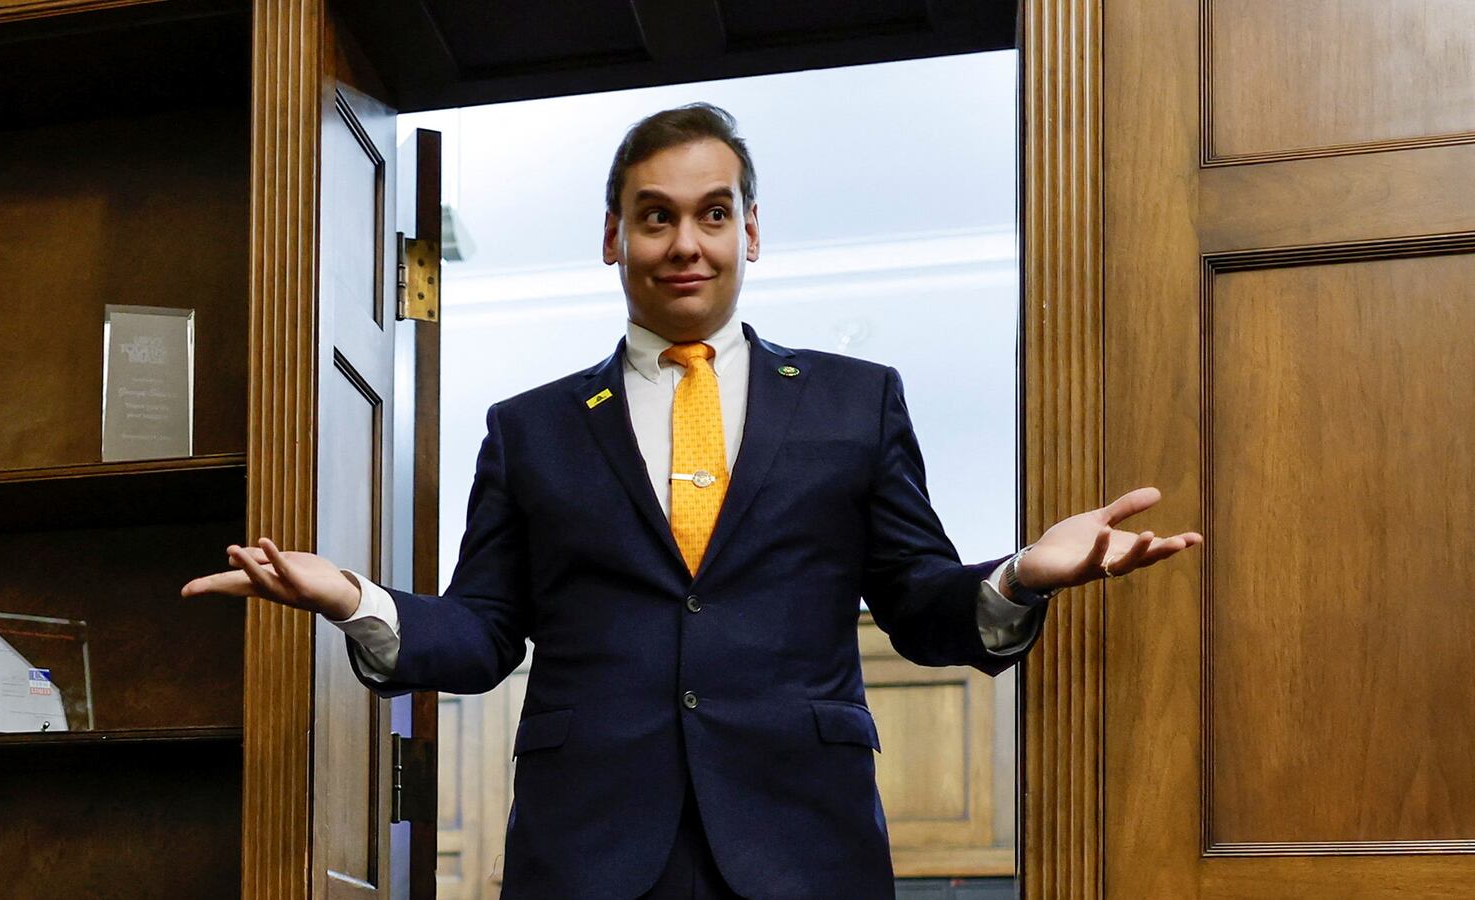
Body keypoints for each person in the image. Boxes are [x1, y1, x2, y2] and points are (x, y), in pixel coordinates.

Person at [183, 103, 1201, 899]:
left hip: (803, 846)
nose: (685, 242)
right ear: (612, 236)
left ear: (750, 230)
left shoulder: (858, 401)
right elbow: (485, 633)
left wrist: (1018, 575)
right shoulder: (527, 428)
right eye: (655, 216)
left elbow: (920, 607)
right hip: (588, 855)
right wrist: (355, 598)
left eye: (713, 213)